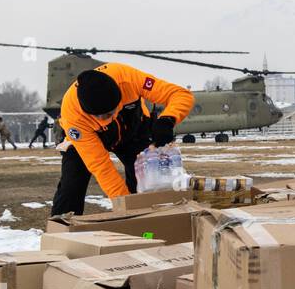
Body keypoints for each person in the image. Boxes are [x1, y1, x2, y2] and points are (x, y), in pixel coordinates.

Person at [51, 62, 194, 215]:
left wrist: (167, 120)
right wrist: (125, 206)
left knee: (145, 182)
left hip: (133, 130)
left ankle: (150, 227)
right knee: (72, 185)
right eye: (103, 116)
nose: (110, 118)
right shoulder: (73, 114)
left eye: (113, 111)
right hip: (88, 138)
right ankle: (61, 230)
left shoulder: (128, 78)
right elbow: (101, 167)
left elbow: (180, 94)